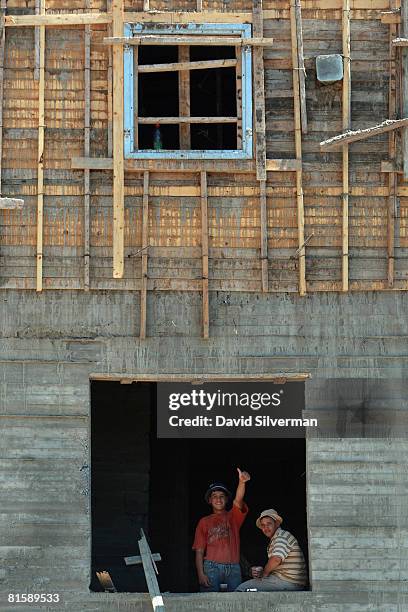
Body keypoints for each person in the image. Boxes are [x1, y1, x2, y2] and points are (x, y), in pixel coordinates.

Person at [192, 468, 251, 592]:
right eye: (214, 496)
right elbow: (199, 551)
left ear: (227, 499)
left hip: (234, 567)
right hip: (211, 567)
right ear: (209, 500)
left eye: (222, 496)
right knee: (209, 601)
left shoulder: (233, 517)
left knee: (235, 601)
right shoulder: (204, 521)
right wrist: (200, 574)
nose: (218, 499)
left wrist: (242, 482)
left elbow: (239, 500)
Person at [236, 508, 307, 592]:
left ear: (276, 523)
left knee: (241, 589)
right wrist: (263, 571)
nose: (266, 528)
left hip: (288, 581)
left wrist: (264, 574)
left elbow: (276, 559)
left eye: (269, 524)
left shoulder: (281, 536)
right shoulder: (277, 537)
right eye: (263, 525)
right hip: (288, 581)